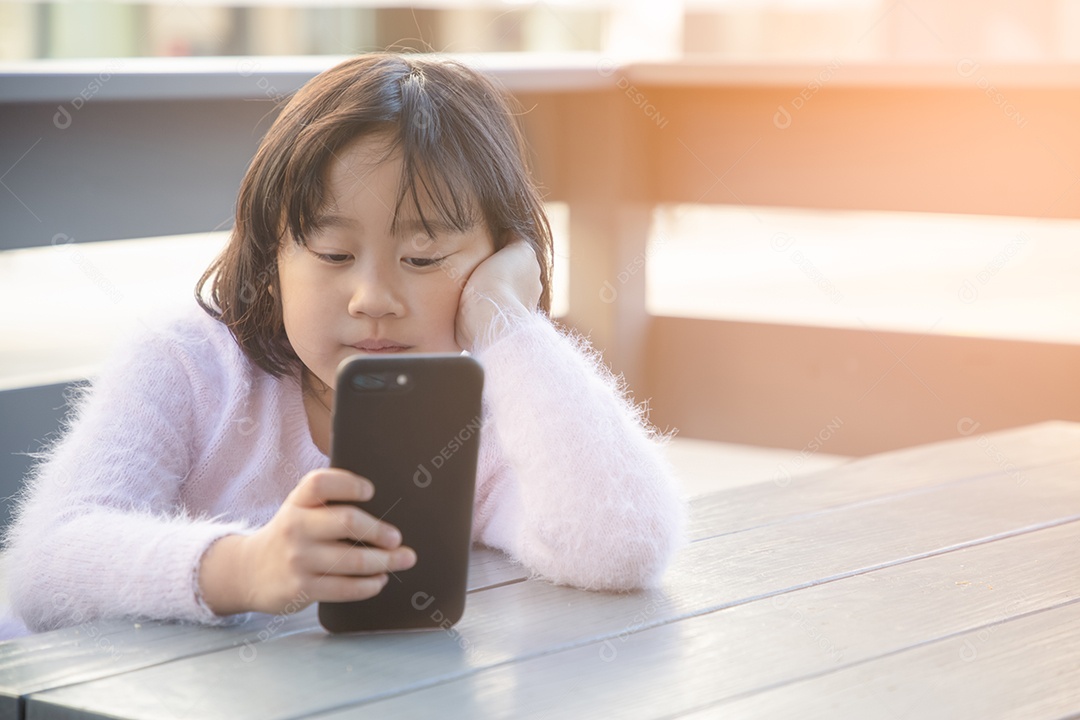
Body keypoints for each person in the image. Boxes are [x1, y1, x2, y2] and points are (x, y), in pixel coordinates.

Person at [1, 54, 687, 635]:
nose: (373, 299)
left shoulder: (500, 408)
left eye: (423, 259)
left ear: (498, 257)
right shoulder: (185, 365)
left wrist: (509, 322)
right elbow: (43, 566)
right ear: (273, 258)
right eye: (331, 253)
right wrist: (246, 567)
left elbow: (621, 548)